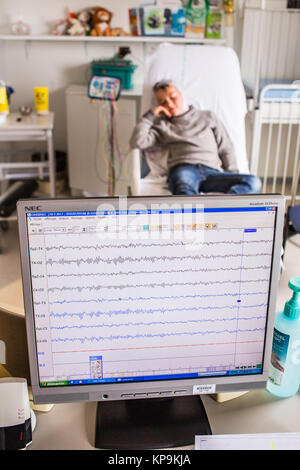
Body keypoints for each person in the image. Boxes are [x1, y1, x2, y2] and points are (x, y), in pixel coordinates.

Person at [130, 80, 261, 195]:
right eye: (162, 102)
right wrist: (151, 115)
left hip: (213, 173)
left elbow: (225, 148)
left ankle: (219, 208)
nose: (169, 104)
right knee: (183, 187)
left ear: (182, 95)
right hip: (184, 170)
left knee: (253, 182)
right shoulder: (163, 125)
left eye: (173, 97)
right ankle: (195, 217)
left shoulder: (208, 117)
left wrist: (231, 176)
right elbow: (138, 142)